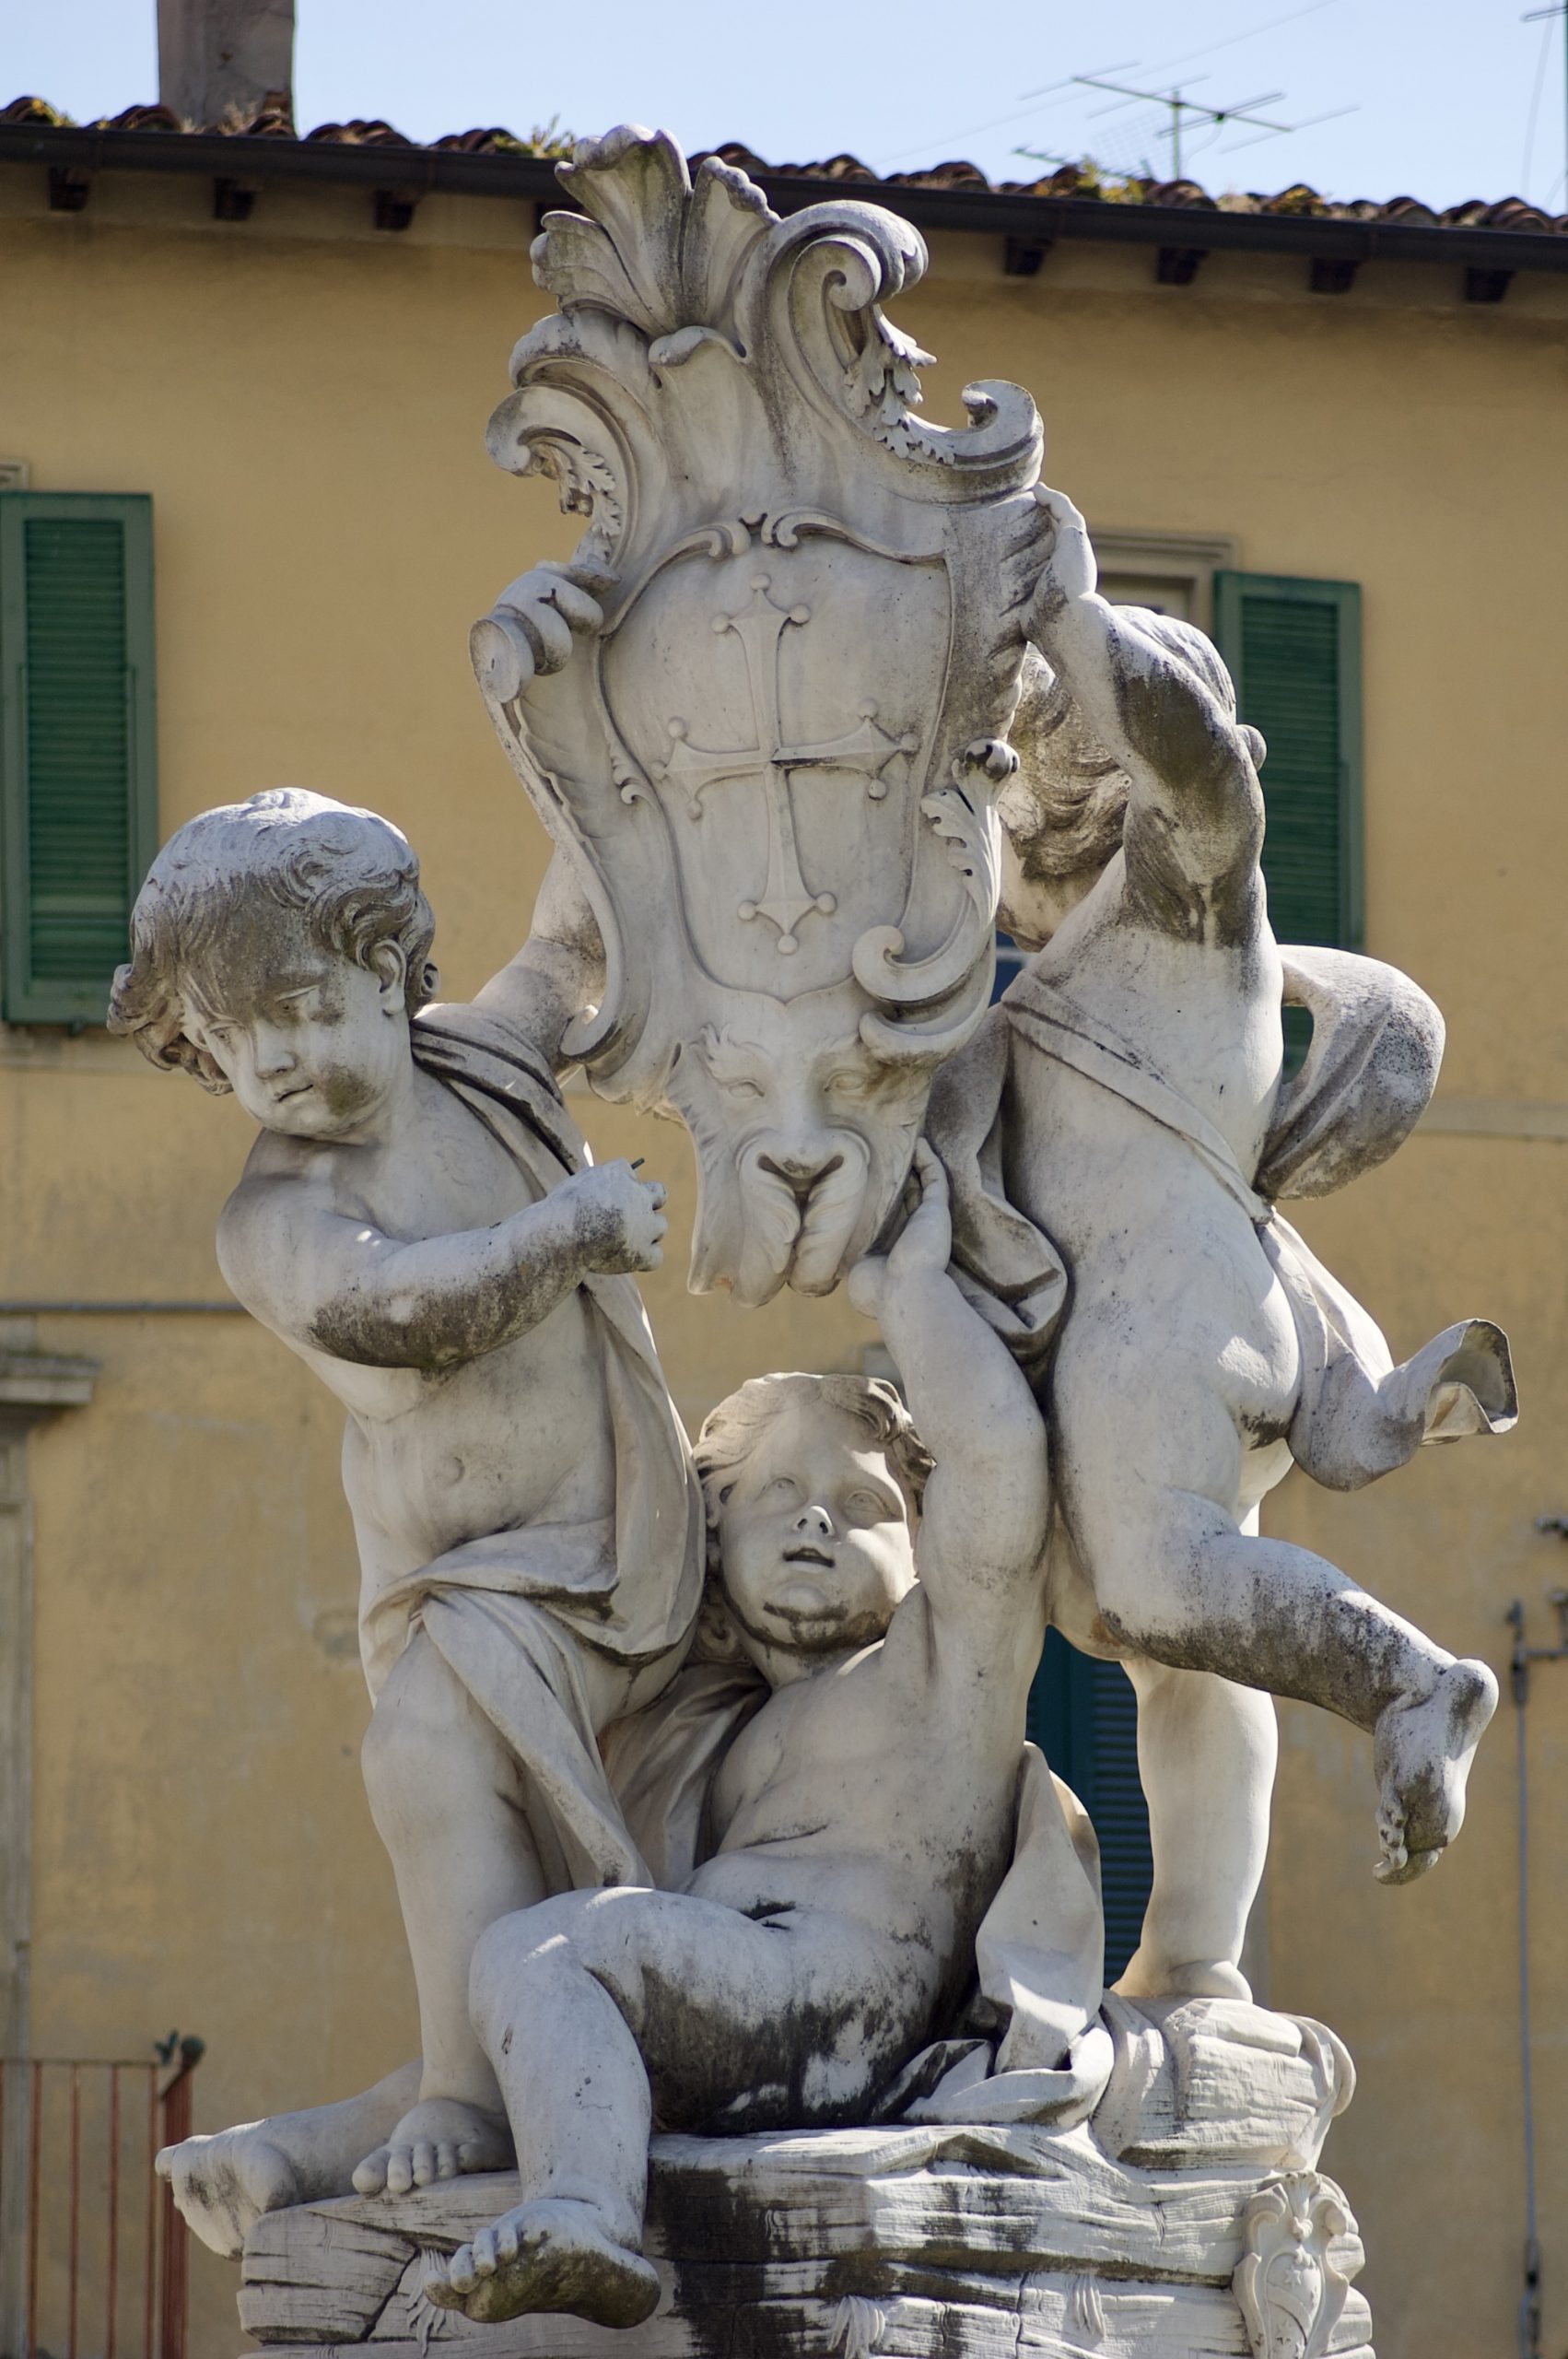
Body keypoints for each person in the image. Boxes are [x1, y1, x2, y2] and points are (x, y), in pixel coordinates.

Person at [930, 488, 1514, 2002]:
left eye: (1034, 748)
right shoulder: (1057, 969)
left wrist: (1066, 608)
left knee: (1162, 1585)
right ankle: (1192, 1961)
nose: (1012, 783)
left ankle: (1410, 1678)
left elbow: (1190, 754)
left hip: (1169, 1306)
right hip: (1169, 1309)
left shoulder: (1185, 888)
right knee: (1169, 1649)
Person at [110, 789, 702, 2212]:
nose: (287, 1060)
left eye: (312, 1009)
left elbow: (576, 932)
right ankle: (458, 2088)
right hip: (478, 1588)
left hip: (644, 1543)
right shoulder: (275, 1219)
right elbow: (394, 1311)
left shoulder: (490, 1066)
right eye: (241, 1042)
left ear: (391, 971)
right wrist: (562, 1232)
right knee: (421, 1757)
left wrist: (584, 726)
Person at [422, 1144, 1065, 2328]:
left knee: (546, 1952)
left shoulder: (938, 1670)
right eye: (774, 1496)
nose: (817, 1516)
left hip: (837, 2001)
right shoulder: (714, 1726)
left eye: (865, 1505)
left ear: (927, 1547)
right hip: (741, 2006)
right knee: (531, 1950)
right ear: (711, 1541)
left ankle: (587, 2207)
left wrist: (913, 1289)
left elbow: (1000, 1468)